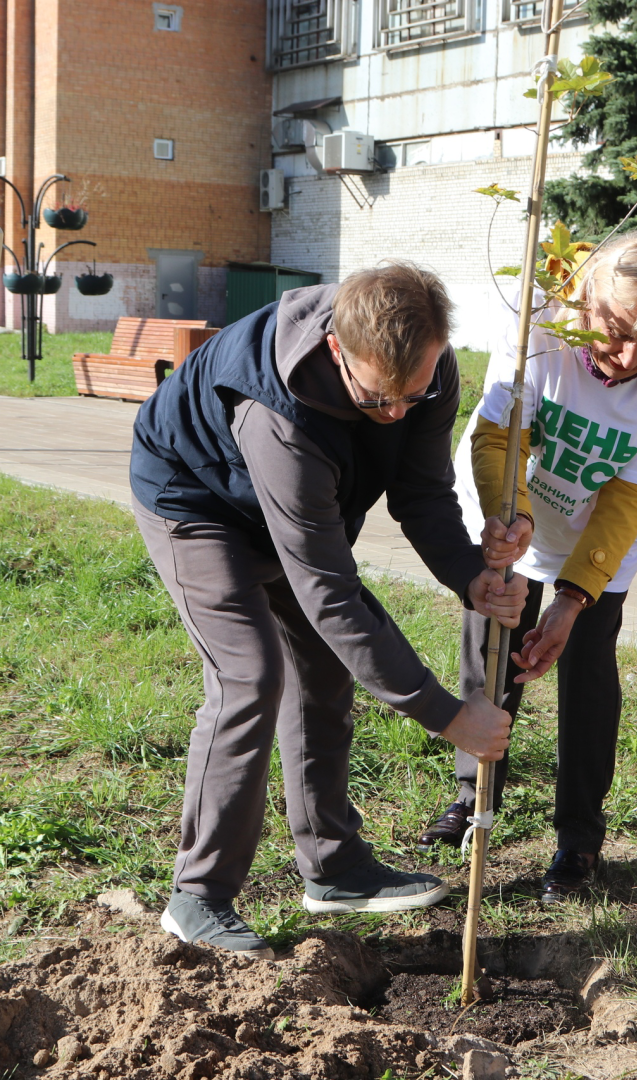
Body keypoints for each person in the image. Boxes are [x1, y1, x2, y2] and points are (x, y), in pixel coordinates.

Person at [129, 264, 525, 959]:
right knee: (250, 677)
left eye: (414, 394)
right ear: (339, 350)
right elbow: (330, 593)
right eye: (379, 398)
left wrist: (471, 578)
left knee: (323, 674)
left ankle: (335, 869)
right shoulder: (277, 412)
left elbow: (422, 492)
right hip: (196, 502)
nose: (398, 413)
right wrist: (449, 716)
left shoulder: (424, 367)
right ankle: (197, 897)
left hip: (301, 510)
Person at [414, 232, 637, 902]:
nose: (631, 357)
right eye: (619, 333)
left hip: (605, 533)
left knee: (586, 671)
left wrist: (571, 602)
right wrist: (507, 522)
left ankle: (579, 840)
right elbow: (494, 437)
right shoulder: (535, 334)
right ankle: (473, 798)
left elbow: (630, 497)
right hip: (513, 514)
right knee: (491, 652)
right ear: (585, 303)